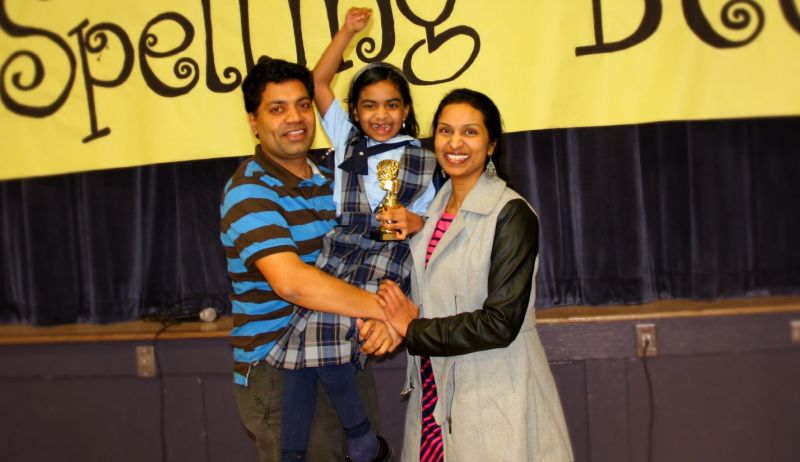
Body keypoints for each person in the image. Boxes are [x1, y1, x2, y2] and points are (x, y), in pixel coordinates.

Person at [264, 6, 436, 462]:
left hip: (387, 254)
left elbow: (440, 220)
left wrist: (417, 222)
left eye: (392, 104)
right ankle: (297, 453)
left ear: (406, 109)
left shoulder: (425, 157)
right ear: (355, 111)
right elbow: (319, 82)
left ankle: (358, 435)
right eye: (370, 105)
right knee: (303, 342)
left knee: (328, 330)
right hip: (341, 248)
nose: (381, 114)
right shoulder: (347, 141)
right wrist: (345, 32)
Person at [375, 89, 575, 461]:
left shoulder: (511, 213)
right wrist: (388, 321)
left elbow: (500, 322)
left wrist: (412, 328)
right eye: (445, 131)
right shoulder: (435, 209)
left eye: (470, 132)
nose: (455, 142)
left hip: (493, 392)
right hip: (435, 392)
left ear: (491, 144)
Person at [219, 56, 400, 462]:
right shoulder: (248, 191)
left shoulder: (328, 180)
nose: (295, 118)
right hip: (281, 373)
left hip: (341, 354)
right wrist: (386, 311)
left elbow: (365, 256)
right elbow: (294, 283)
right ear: (254, 121)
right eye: (277, 108)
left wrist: (379, 314)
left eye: (302, 104)